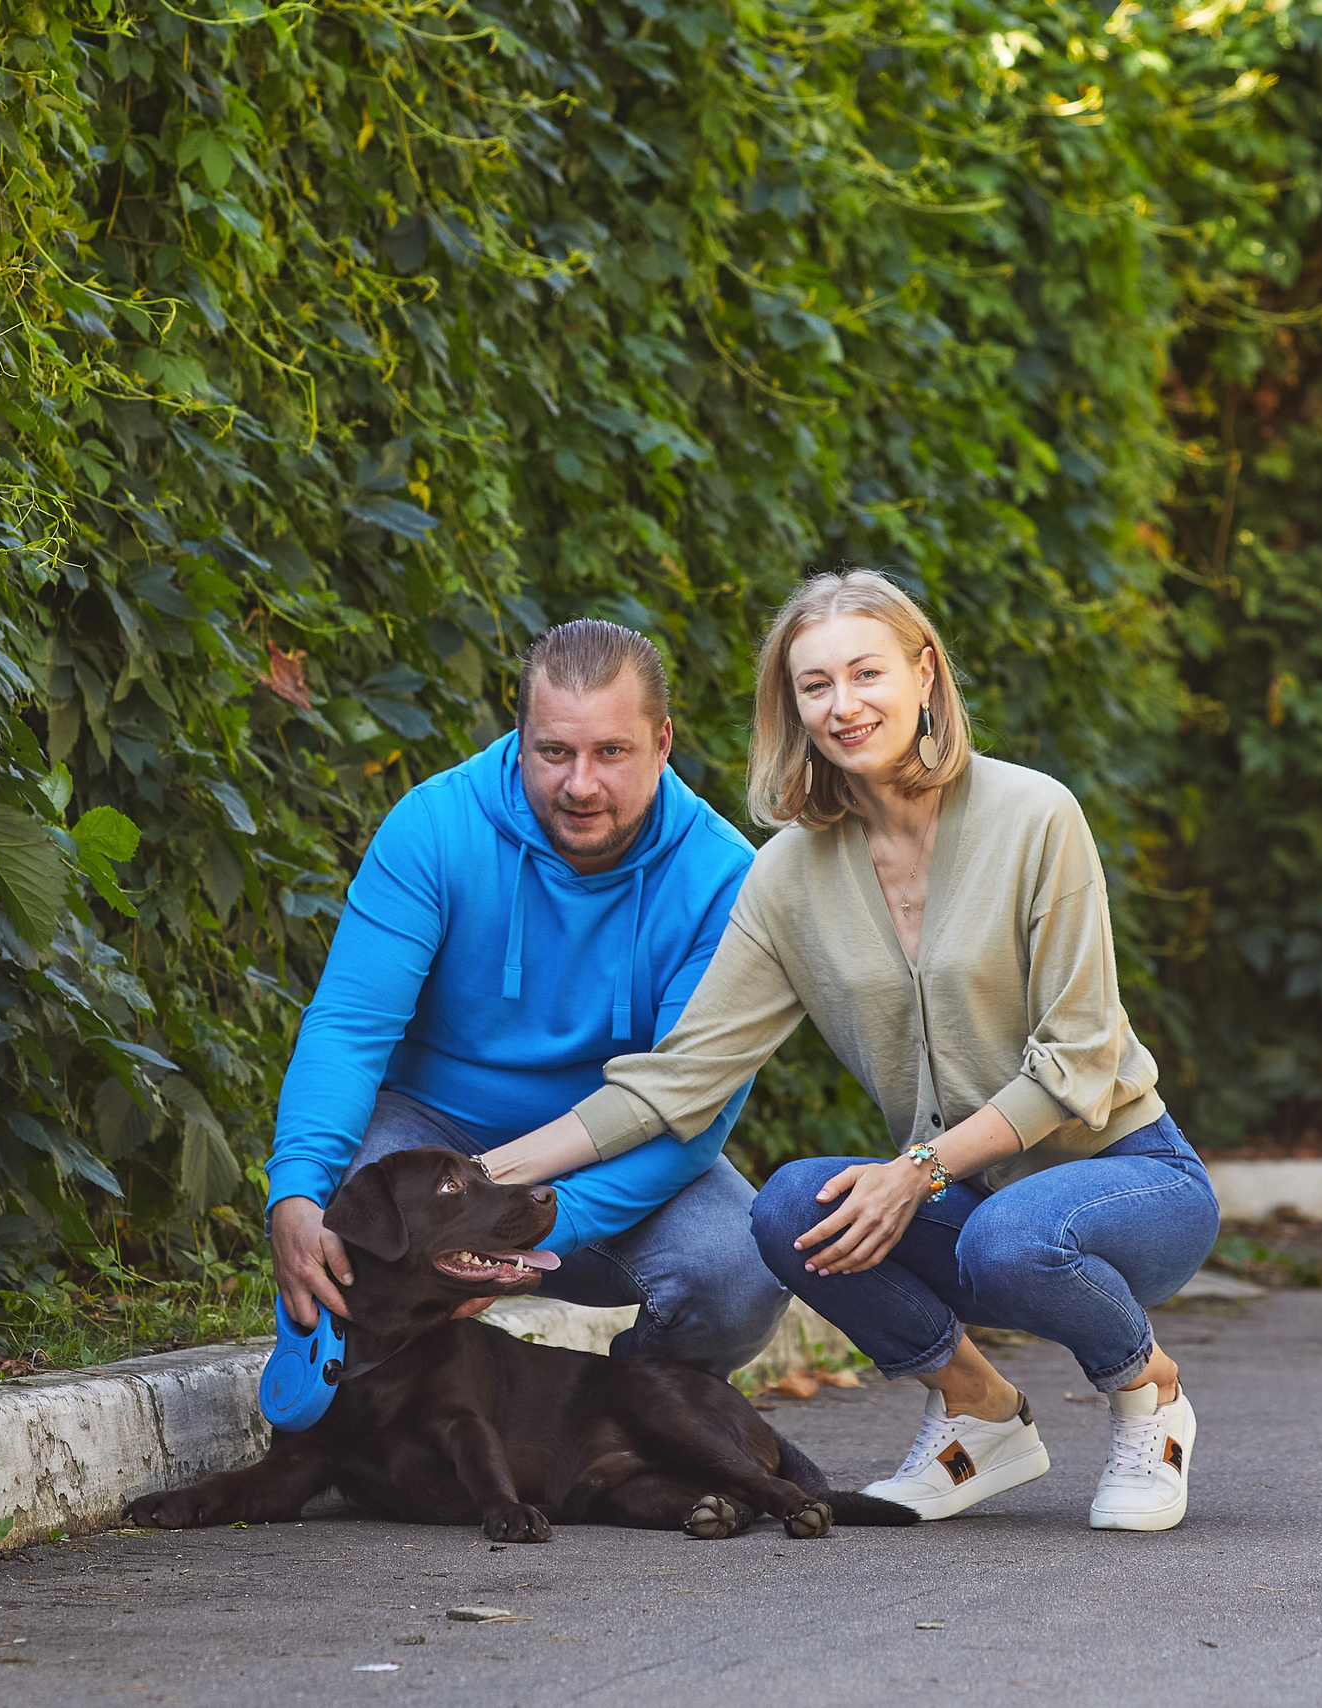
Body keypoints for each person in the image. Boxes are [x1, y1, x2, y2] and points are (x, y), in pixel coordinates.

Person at [483, 572, 1221, 1530]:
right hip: (972, 1198)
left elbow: (1078, 1059)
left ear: (925, 675)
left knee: (1011, 1237)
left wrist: (917, 1170)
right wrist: (488, 1176)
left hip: (1129, 1178)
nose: (843, 705)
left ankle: (1149, 1398)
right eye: (814, 685)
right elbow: (681, 1079)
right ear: (790, 706)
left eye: (866, 673)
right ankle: (979, 1410)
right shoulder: (789, 871)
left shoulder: (1036, 815)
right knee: (793, 1207)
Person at [267, 619, 788, 1375]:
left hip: (613, 1155)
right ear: (520, 738)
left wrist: (528, 1227)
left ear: (663, 742)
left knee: (738, 1269)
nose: (581, 785)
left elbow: (691, 1120)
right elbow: (348, 1028)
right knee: (351, 1226)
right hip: (430, 1137)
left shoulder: (722, 880)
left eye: (612, 752)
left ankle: (626, 1427)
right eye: (555, 752)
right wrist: (295, 1191)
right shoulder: (437, 825)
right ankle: (355, 1417)